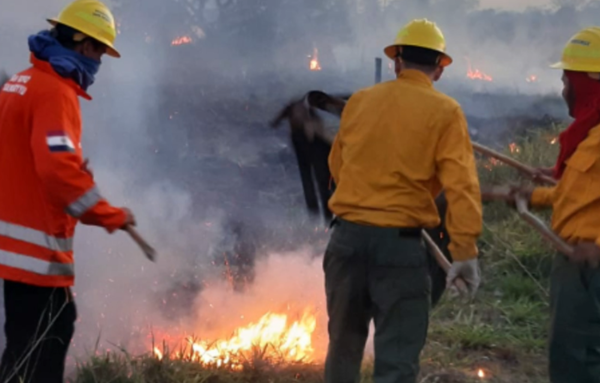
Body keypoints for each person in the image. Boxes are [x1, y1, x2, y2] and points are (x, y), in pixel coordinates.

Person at [323, 19, 483, 383]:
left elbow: (337, 166)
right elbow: (461, 187)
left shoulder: (360, 101)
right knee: (396, 361)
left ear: (397, 62)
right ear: (439, 69)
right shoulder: (446, 112)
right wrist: (465, 252)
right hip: (400, 251)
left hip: (345, 243)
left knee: (343, 349)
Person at [0, 1, 135, 382]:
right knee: (45, 343)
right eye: (99, 51)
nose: (100, 63)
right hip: (36, 255)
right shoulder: (56, 93)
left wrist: (71, 167)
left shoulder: (20, 82)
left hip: (14, 247)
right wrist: (111, 215)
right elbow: (57, 173)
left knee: (26, 345)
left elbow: (28, 155)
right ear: (83, 44)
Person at [507, 27, 600, 383]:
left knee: (574, 361)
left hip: (588, 263)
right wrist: (541, 190)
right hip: (577, 262)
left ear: (589, 81)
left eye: (568, 79)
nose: (564, 89)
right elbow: (580, 194)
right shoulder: (591, 134)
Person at [271, 91, 342, 224]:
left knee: (315, 179)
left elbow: (277, 121)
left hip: (312, 143)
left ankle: (321, 214)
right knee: (319, 179)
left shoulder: (300, 110)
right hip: (312, 143)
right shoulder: (304, 112)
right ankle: (323, 214)